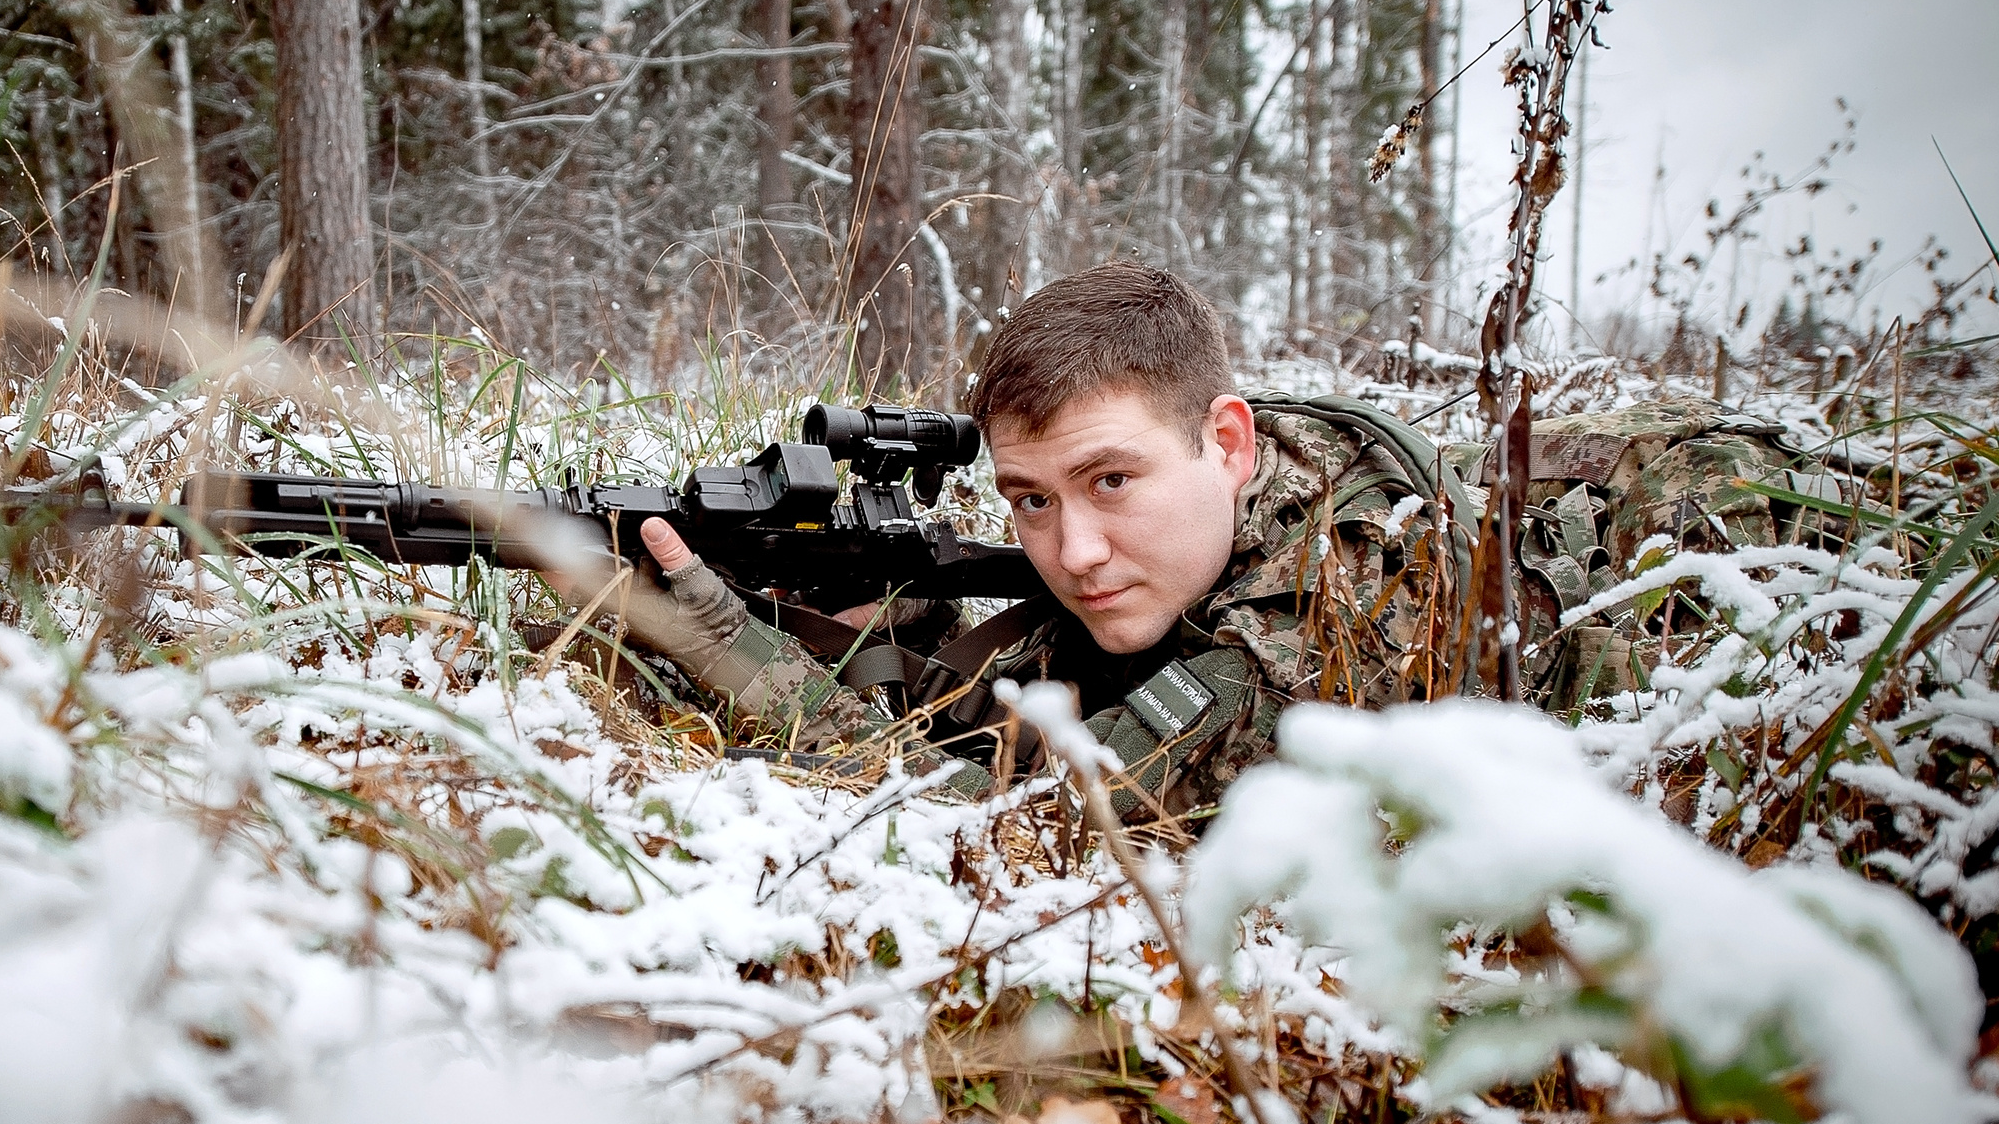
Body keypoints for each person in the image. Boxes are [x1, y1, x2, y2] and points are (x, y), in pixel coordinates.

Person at [606, 262, 1800, 828]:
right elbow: (985, 700)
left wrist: (723, 642)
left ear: (1227, 441)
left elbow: (971, 822)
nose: (1072, 552)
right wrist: (864, 604)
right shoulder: (1216, 504)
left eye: (1111, 481)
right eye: (1027, 499)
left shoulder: (1314, 617)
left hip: (1739, 551)